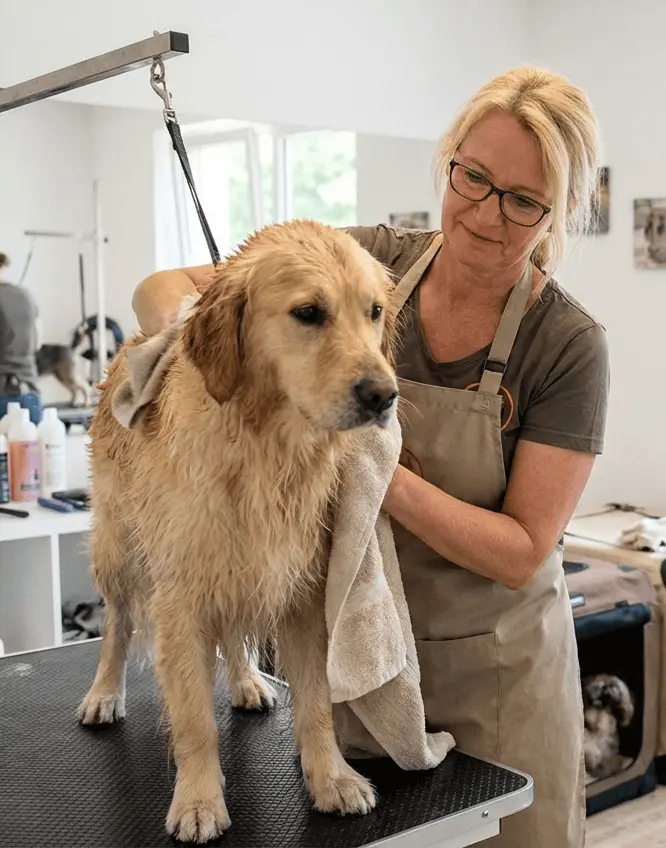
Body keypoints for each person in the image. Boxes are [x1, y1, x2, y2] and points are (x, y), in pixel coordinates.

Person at [131, 65, 608, 848]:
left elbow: (524, 552)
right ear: (449, 161)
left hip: (496, 680)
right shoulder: (369, 259)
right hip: (359, 660)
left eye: (522, 201)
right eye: (474, 178)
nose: (486, 215)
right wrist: (206, 343)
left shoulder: (569, 345)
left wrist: (378, 473)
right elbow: (167, 288)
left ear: (557, 213)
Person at [0, 251, 44, 424]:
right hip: (30, 396)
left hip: (2, 398)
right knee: (31, 450)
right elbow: (37, 342)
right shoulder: (25, 295)